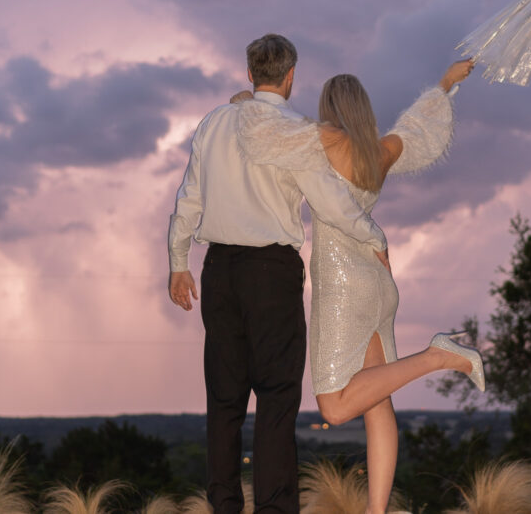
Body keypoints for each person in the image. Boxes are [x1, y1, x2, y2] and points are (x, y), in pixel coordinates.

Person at [236, 59, 485, 514]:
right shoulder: (381, 150)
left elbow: (270, 130)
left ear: (329, 107)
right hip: (379, 280)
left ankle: (438, 355)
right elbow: (417, 128)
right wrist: (446, 83)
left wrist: (246, 103)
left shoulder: (322, 139)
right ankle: (377, 510)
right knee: (377, 402)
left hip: (343, 285)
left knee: (334, 407)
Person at [167, 34, 391, 514]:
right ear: (291, 77)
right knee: (276, 399)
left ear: (250, 73)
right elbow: (331, 204)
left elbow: (189, 198)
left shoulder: (214, 123)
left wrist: (177, 263)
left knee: (224, 401)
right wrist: (374, 236)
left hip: (220, 272)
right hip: (271, 275)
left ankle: (224, 506)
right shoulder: (297, 132)